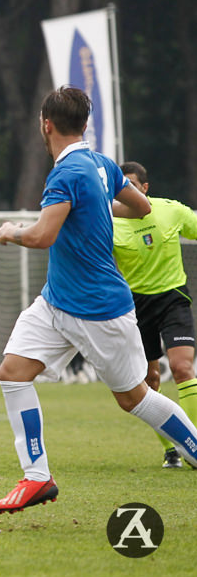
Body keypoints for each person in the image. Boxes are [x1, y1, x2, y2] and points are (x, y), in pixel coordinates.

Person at [0, 86, 197, 514]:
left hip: (99, 309)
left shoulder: (66, 174)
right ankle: (37, 478)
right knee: (12, 372)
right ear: (84, 125)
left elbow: (43, 236)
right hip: (56, 302)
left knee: (134, 398)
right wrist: (97, 206)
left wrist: (11, 230)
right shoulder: (100, 164)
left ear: (45, 125)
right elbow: (140, 207)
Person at [112, 160, 197, 468]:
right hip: (135, 306)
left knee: (182, 367)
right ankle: (172, 448)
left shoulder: (170, 210)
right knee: (149, 379)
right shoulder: (110, 222)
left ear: (145, 188)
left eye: (132, 186)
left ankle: (195, 444)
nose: (127, 193)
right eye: (121, 189)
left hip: (173, 298)